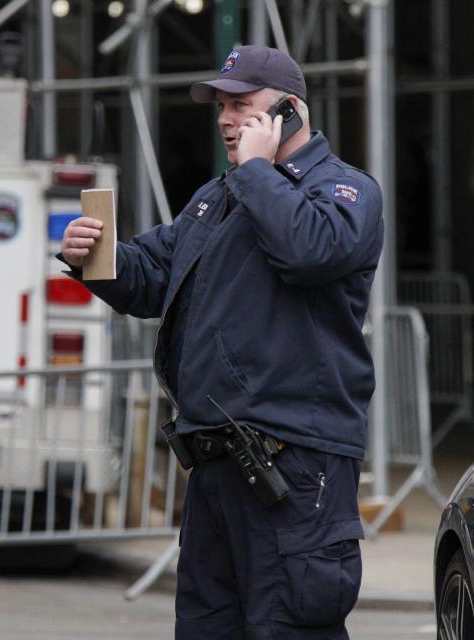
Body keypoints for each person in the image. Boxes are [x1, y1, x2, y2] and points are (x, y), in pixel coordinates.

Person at [60, 45, 383, 639]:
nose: (226, 120)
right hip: (216, 463)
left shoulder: (346, 192)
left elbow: (309, 251)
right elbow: (154, 277)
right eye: (221, 107)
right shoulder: (219, 198)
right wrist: (96, 259)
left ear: (287, 112)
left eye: (242, 106)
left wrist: (259, 171)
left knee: (290, 625)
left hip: (294, 464)